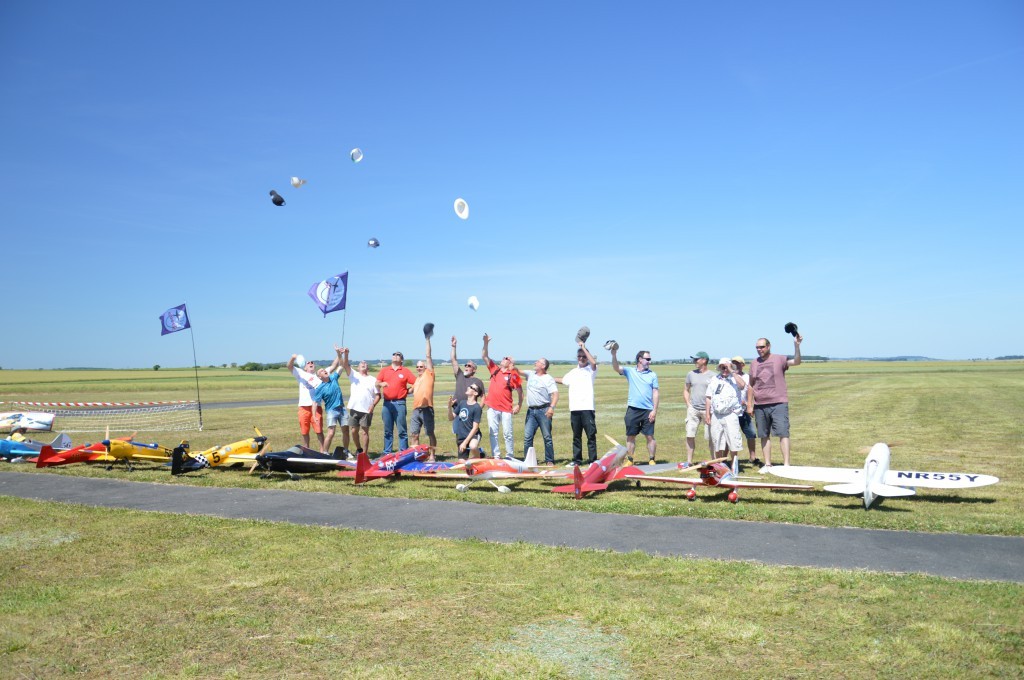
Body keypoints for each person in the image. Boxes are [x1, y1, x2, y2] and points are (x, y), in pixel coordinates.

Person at [749, 333, 803, 468]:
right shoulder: (754, 363)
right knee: (763, 435)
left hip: (778, 402)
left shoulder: (779, 359)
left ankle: (786, 465)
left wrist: (796, 346)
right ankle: (767, 464)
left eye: (761, 347)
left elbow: (796, 361)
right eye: (757, 347)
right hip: (760, 404)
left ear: (768, 346)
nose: (759, 349)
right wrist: (750, 404)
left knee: (783, 433)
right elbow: (751, 385)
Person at [610, 346, 659, 465]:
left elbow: (655, 392)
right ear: (640, 359)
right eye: (647, 359)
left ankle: (652, 459)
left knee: (649, 436)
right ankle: (630, 460)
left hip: (648, 410)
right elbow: (616, 368)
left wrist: (654, 410)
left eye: (650, 359)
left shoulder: (652, 375)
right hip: (633, 409)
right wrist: (614, 354)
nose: (649, 361)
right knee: (631, 436)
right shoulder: (630, 371)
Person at [556, 342, 598, 465]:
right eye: (579, 356)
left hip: (587, 408)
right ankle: (577, 460)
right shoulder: (573, 372)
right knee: (576, 436)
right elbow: (563, 380)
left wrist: (583, 348)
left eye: (584, 356)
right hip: (574, 408)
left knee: (591, 436)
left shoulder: (591, 370)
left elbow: (594, 363)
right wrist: (547, 378)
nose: (581, 358)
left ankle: (593, 460)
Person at [481, 334, 523, 458]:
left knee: (507, 433)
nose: (503, 359)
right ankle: (496, 456)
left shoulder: (513, 374)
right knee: (492, 432)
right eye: (503, 357)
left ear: (510, 362)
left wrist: (519, 405)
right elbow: (484, 356)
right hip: (492, 407)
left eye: (506, 358)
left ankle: (510, 456)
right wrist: (486, 343)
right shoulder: (495, 369)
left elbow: (520, 391)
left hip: (506, 408)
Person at [705, 357, 747, 465]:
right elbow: (709, 397)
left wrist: (732, 370)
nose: (725, 370)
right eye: (722, 367)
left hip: (731, 414)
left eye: (726, 367)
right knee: (717, 441)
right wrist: (708, 414)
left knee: (733, 440)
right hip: (716, 414)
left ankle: (734, 465)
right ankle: (718, 465)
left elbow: (742, 386)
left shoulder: (735, 378)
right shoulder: (714, 379)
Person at [311, 346, 349, 456]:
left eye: (324, 370)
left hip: (342, 408)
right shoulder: (320, 388)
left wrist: (341, 353)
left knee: (345, 431)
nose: (324, 371)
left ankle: (346, 451)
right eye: (322, 371)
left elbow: (341, 365)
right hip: (332, 411)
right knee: (331, 432)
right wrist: (314, 416)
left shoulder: (334, 378)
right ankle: (325, 453)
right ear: (319, 377)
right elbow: (314, 403)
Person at [450, 336, 486, 450]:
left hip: (470, 410)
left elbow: (483, 397)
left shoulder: (477, 381)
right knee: (458, 431)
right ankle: (461, 451)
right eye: (465, 365)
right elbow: (453, 360)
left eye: (469, 366)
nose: (466, 367)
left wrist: (477, 409)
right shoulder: (459, 375)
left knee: (472, 432)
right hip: (458, 410)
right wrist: (454, 346)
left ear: (474, 369)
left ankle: (475, 451)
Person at [521, 358, 559, 465]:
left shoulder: (548, 379)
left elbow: (555, 394)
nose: (535, 362)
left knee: (547, 437)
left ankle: (549, 460)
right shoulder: (530, 374)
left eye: (537, 362)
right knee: (527, 437)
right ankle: (528, 461)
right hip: (531, 411)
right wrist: (511, 365)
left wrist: (551, 407)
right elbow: (517, 371)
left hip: (544, 410)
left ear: (543, 366)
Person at [377, 350, 416, 454]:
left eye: (398, 355)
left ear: (401, 359)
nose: (395, 356)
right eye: (394, 354)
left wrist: (409, 390)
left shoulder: (405, 371)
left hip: (400, 403)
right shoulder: (385, 370)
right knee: (387, 430)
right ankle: (387, 452)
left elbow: (416, 382)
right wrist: (381, 384)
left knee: (402, 430)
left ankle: (403, 452)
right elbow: (377, 382)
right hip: (387, 404)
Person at [344, 353, 381, 456]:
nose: (363, 363)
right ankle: (359, 449)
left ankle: (364, 454)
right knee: (354, 431)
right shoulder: (354, 375)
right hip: (354, 408)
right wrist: (346, 354)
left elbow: (378, 395)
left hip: (367, 409)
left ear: (367, 367)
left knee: (365, 432)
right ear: (358, 367)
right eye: (361, 363)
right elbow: (345, 364)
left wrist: (373, 405)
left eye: (365, 363)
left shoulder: (373, 380)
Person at [287, 354, 325, 450]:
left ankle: (322, 451)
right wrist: (293, 357)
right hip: (303, 407)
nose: (311, 363)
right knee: (304, 431)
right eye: (308, 363)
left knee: (319, 430)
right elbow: (289, 366)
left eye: (312, 363)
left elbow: (333, 368)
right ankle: (306, 449)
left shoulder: (318, 377)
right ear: (304, 367)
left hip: (316, 407)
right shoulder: (300, 374)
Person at [683, 351, 715, 466]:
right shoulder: (690, 374)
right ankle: (689, 461)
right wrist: (688, 404)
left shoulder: (713, 376)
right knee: (689, 434)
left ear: (704, 360)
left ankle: (714, 461)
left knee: (712, 437)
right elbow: (686, 389)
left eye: (696, 359)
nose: (694, 361)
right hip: (693, 409)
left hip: (708, 411)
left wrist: (710, 410)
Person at [410, 336, 438, 461]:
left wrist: (427, 340)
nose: (419, 368)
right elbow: (409, 391)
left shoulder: (429, 374)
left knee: (430, 433)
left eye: (421, 366)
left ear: (425, 367)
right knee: (414, 434)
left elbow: (428, 356)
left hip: (427, 409)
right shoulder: (416, 380)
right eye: (418, 367)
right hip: (416, 410)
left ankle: (432, 455)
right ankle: (416, 456)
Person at [731, 355, 761, 467]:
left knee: (751, 434)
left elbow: (751, 391)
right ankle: (728, 460)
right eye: (733, 363)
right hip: (731, 411)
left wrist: (749, 405)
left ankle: (752, 457)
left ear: (743, 365)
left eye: (738, 363)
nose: (736, 365)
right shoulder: (729, 376)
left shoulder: (748, 377)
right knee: (730, 435)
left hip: (743, 410)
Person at [448, 383, 483, 459]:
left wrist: (465, 443)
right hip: (462, 436)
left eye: (471, 387)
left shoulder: (477, 408)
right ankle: (480, 455)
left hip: (473, 435)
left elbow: (475, 428)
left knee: (473, 446)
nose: (468, 387)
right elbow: (451, 418)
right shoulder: (462, 403)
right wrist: (449, 407)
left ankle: (478, 458)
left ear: (475, 393)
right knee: (462, 462)